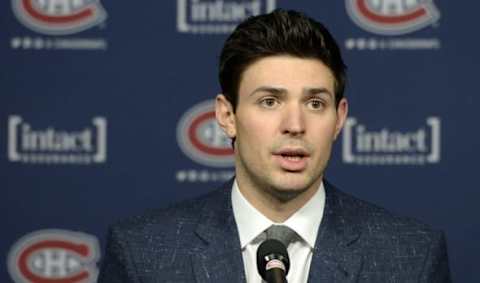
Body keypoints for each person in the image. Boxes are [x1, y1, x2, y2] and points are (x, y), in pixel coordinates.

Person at [98, 9, 451, 282]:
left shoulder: (411, 257)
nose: (295, 126)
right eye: (269, 101)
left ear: (339, 118)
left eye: (315, 104)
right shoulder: (143, 254)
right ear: (227, 115)